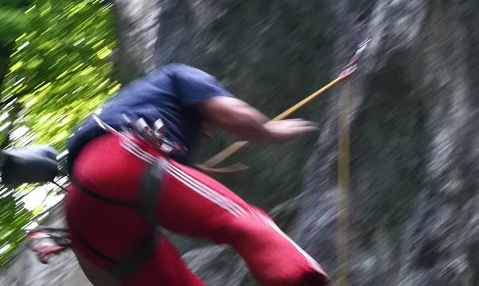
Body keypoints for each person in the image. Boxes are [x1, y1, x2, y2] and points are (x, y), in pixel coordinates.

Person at [63, 63, 328, 286]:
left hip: (79, 213)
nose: (209, 133)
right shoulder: (180, 74)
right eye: (208, 126)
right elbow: (236, 117)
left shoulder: (135, 104)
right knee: (243, 222)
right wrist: (271, 130)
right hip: (118, 157)